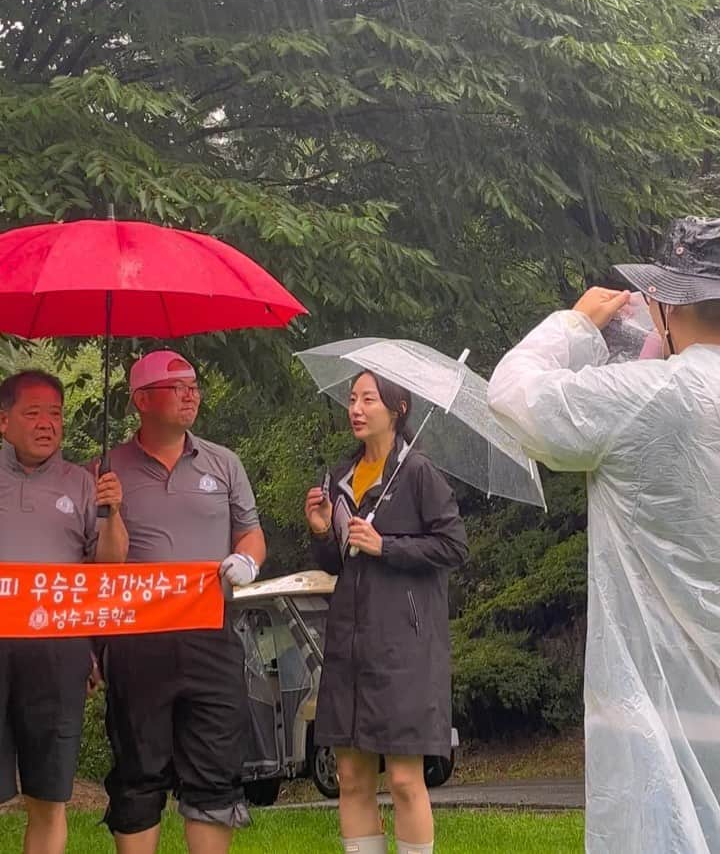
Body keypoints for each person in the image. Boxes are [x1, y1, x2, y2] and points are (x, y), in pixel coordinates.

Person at [487, 216, 720, 853]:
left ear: (665, 303)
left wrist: (574, 326)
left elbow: (513, 396)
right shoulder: (660, 390)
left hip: (657, 691)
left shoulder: (652, 396)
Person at [102, 350, 266, 854]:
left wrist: (248, 562)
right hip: (136, 639)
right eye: (177, 386)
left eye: (193, 384)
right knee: (138, 768)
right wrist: (108, 511)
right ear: (141, 400)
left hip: (211, 632)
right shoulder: (106, 468)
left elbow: (252, 534)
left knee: (216, 766)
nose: (191, 394)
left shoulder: (224, 461)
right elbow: (102, 566)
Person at [304, 370, 467, 854]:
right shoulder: (339, 477)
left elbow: (454, 546)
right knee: (351, 775)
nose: (356, 408)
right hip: (349, 647)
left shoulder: (417, 472)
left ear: (397, 409)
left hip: (404, 649)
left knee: (401, 778)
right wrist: (319, 531)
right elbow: (339, 562)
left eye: (368, 399)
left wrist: (387, 545)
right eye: (352, 398)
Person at [0, 369, 127, 854]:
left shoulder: (84, 483)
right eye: (32, 413)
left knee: (48, 796)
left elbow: (111, 566)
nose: (46, 424)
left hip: (58, 654)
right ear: (4, 421)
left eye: (54, 414)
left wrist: (112, 511)